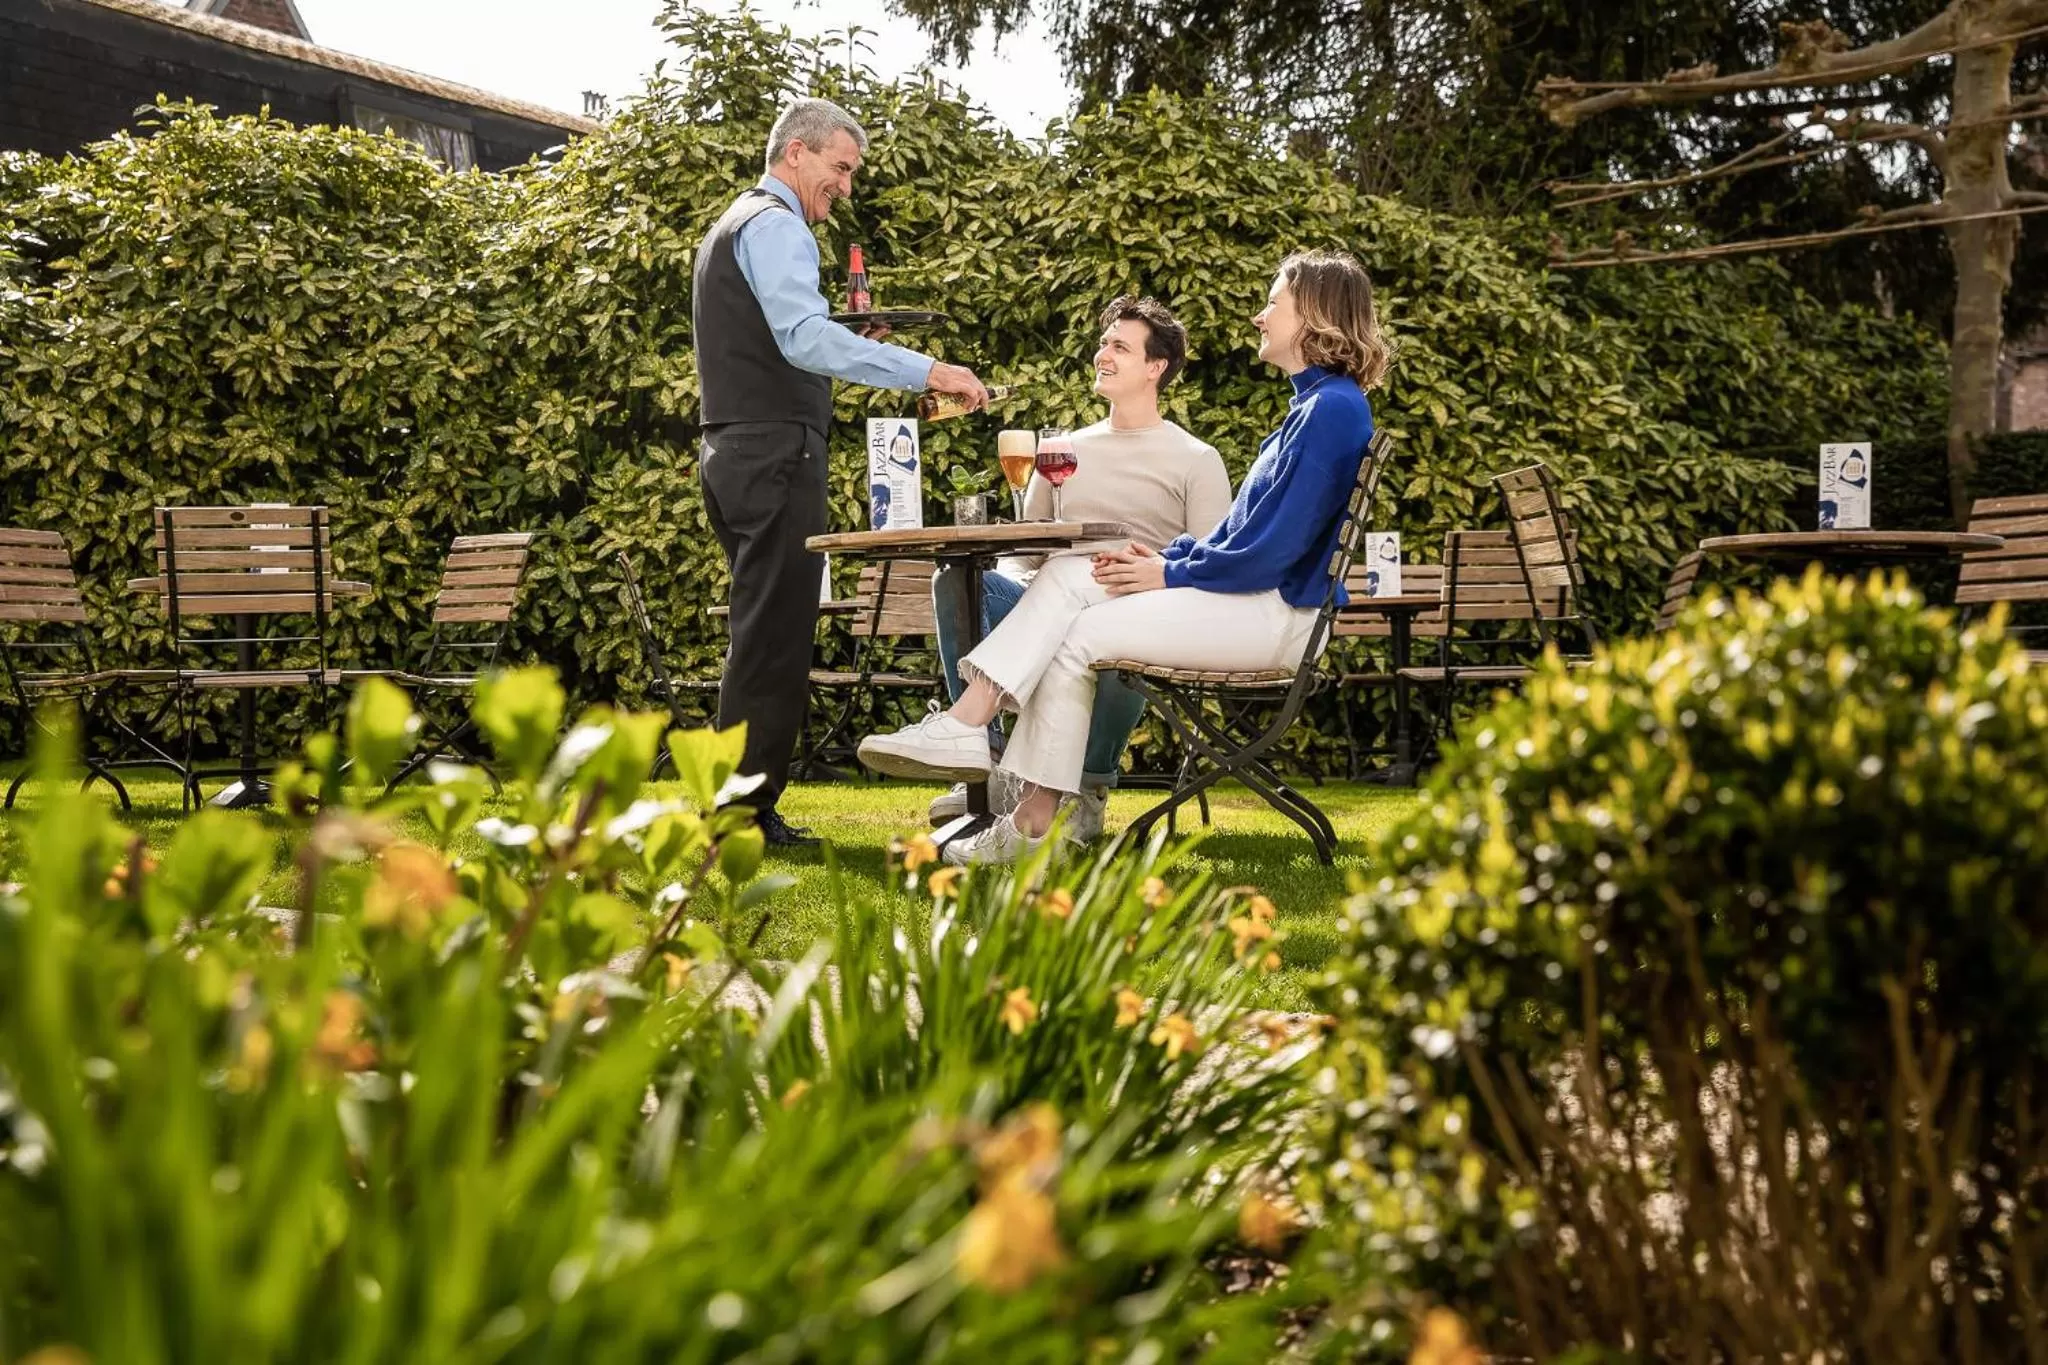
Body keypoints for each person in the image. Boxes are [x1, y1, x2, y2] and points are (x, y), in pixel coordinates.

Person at [857, 249, 1389, 865]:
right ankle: (1016, 806)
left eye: (1274, 302)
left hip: (1276, 617)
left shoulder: (1330, 411)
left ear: (1314, 314)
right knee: (1070, 597)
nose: (1260, 316)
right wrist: (1165, 560)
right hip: (1256, 604)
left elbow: (1269, 554)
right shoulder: (1315, 407)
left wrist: (1167, 570)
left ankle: (983, 752)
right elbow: (1239, 541)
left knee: (1076, 622)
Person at [692, 96, 987, 846]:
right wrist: (926, 369)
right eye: (841, 167)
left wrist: (851, 337)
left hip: (733, 452)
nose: (846, 186)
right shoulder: (776, 224)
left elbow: (785, 335)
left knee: (761, 632)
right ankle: (742, 818)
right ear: (797, 154)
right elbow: (800, 339)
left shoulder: (734, 224)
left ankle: (736, 810)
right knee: (777, 637)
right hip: (773, 457)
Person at [917, 296, 1234, 842]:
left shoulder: (1196, 459)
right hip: (1051, 596)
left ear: (1156, 367)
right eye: (1103, 343)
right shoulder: (1062, 450)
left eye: (1120, 347)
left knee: (1107, 627)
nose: (1101, 355)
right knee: (956, 579)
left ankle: (1086, 788)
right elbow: (1029, 552)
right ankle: (985, 755)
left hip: (1139, 607)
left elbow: (1206, 565)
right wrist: (1029, 598)